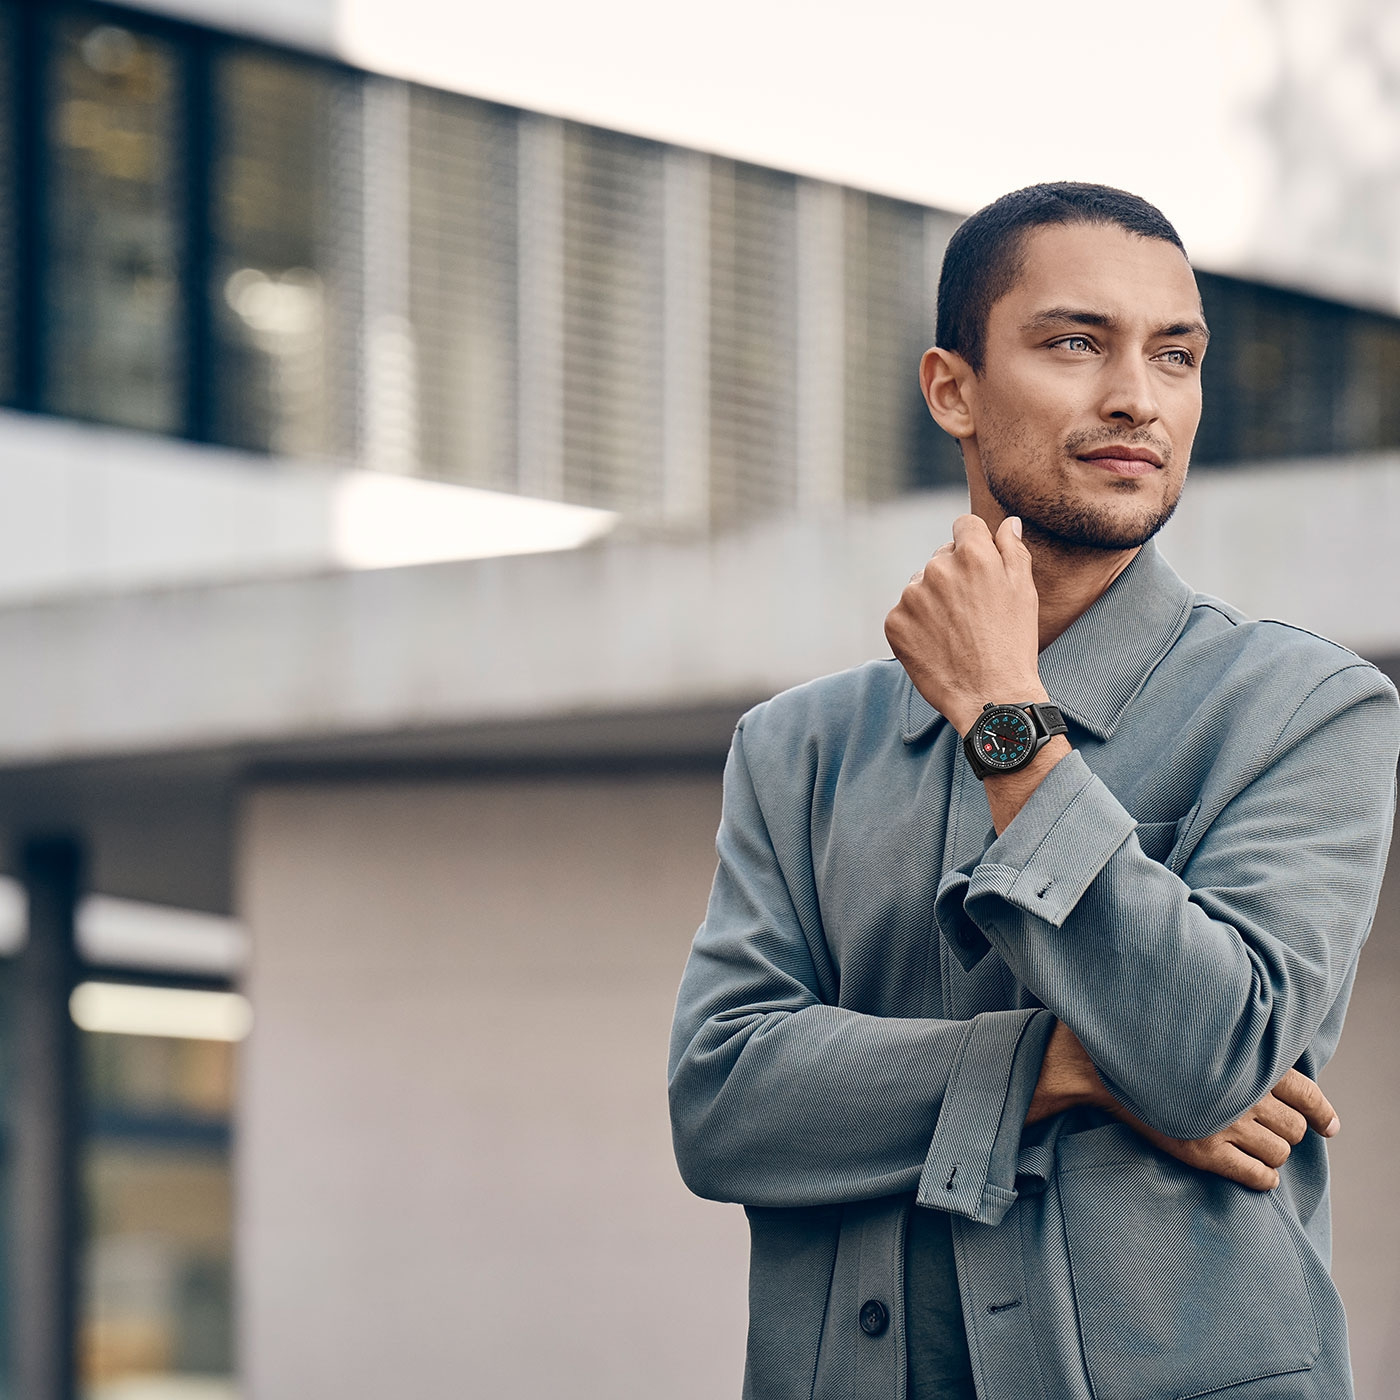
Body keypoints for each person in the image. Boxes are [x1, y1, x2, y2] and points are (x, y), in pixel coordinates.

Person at [667, 182, 1399, 1400]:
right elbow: (722, 1101)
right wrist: (1060, 1062)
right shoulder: (794, 747)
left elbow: (1212, 1053)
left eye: (1175, 355)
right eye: (1075, 342)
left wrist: (1006, 722)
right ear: (951, 388)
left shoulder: (1305, 706)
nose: (1136, 397)